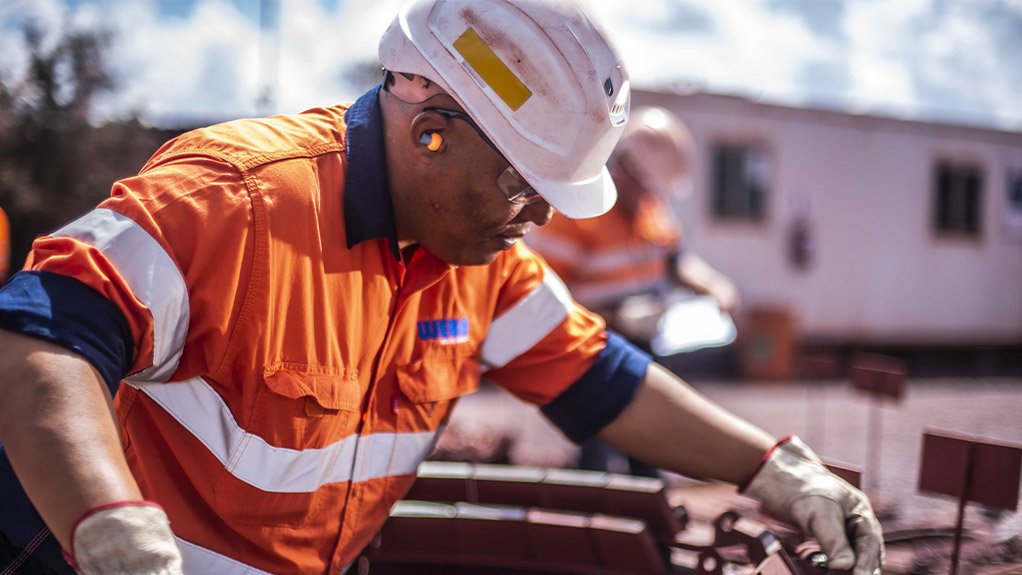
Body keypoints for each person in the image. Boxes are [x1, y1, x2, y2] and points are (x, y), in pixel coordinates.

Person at [0, 1, 882, 574]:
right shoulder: (240, 198)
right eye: (523, 185)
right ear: (431, 131)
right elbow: (38, 341)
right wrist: (109, 526)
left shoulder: (480, 259)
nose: (537, 216)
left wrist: (775, 470)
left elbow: (603, 380)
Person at [527, 106, 740, 477]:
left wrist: (716, 287)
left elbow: (675, 262)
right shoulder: (577, 215)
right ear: (624, 168)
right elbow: (539, 294)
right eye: (645, 187)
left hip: (645, 347)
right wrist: (614, 316)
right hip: (592, 350)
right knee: (597, 456)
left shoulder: (652, 210)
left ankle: (647, 526)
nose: (649, 197)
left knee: (649, 448)